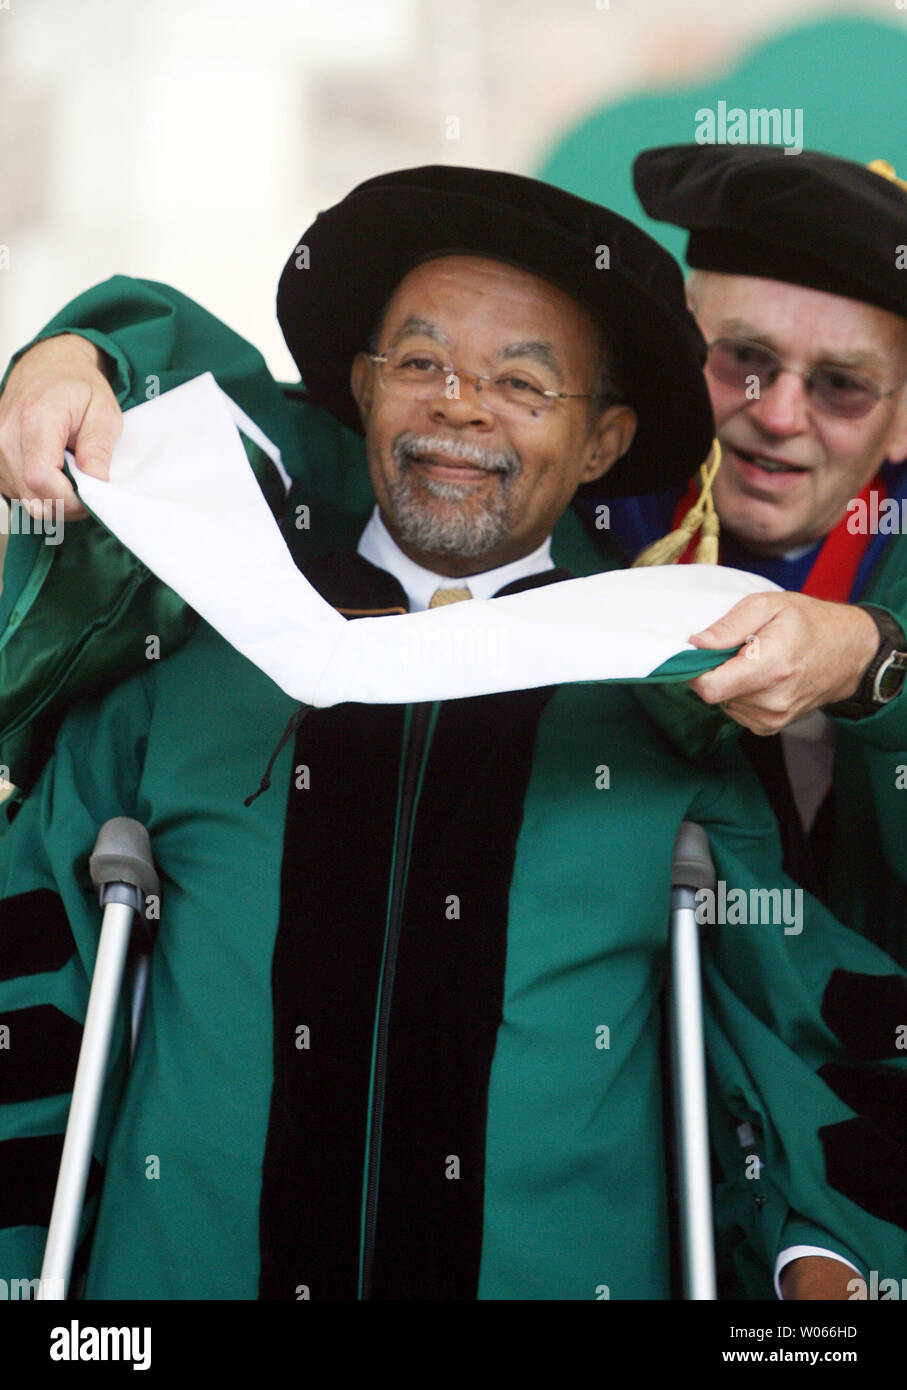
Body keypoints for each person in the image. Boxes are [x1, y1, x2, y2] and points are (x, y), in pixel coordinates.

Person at [0, 167, 904, 1300]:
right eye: (419, 364)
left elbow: (782, 1047)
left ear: (602, 442)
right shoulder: (180, 679)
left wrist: (819, 1260)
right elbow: (27, 1026)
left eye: (524, 383)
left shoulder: (670, 711)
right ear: (361, 389)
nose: (459, 405)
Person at [595, 144, 907, 962]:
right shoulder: (564, 513)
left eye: (841, 384)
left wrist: (867, 658)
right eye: (744, 361)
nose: (777, 416)